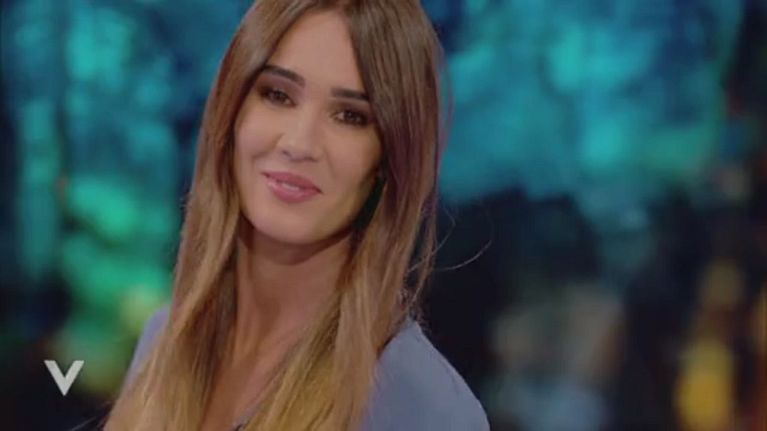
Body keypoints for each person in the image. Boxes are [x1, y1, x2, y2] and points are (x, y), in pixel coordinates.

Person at [104, 0, 489, 430]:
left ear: (388, 157)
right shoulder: (165, 339)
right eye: (278, 95)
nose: (299, 143)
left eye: (350, 116)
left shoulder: (424, 405)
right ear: (232, 110)